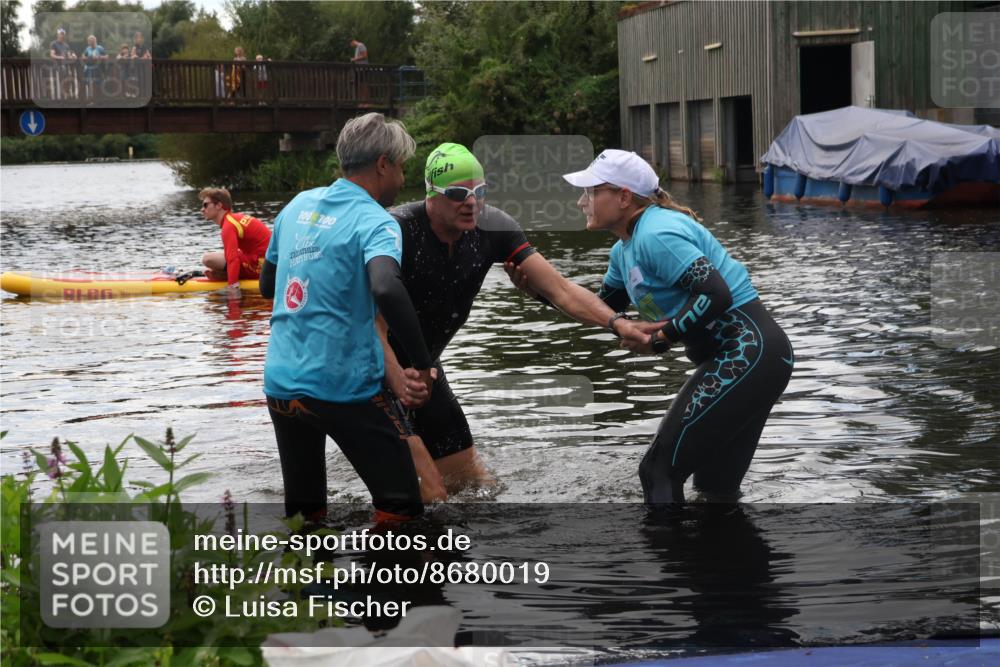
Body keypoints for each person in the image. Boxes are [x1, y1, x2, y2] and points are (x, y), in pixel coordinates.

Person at [379, 143, 648, 502]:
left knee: (475, 487)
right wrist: (396, 375)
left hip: (426, 367)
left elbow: (560, 290)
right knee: (430, 493)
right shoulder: (397, 230)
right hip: (377, 368)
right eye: (458, 194)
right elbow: (366, 318)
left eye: (479, 192)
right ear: (431, 194)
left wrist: (618, 323)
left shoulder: (493, 227)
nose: (471, 203)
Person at [555, 149, 794, 503]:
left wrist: (661, 339)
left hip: (748, 352)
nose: (581, 202)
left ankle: (666, 543)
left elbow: (716, 294)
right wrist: (540, 286)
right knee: (714, 492)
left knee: (657, 471)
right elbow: (601, 310)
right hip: (754, 360)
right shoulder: (624, 251)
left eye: (591, 192)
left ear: (624, 197)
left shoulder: (656, 233)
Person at [259, 112, 434, 522]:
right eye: (401, 167)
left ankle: (306, 564)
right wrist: (423, 363)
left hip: (281, 383)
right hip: (339, 385)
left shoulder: (297, 206)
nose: (402, 178)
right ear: (383, 164)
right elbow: (386, 287)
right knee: (402, 506)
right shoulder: (376, 221)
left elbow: (268, 285)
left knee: (305, 511)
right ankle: (395, 564)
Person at [199, 188, 272, 296]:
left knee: (208, 259)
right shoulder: (234, 219)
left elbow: (232, 259)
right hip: (266, 262)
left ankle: (230, 280)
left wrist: (233, 287)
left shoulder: (228, 226)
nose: (202, 209)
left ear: (218, 206)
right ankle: (224, 276)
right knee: (213, 267)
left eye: (205, 205)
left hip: (262, 266)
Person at [49, 28, 77, 100]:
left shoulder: (66, 45)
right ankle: (63, 96)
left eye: (63, 34)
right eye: (61, 34)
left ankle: (67, 94)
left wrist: (73, 56)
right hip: (58, 65)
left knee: (69, 78)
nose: (62, 35)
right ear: (57, 35)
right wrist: (60, 57)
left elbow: (69, 55)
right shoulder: (54, 44)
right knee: (63, 79)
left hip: (66, 65)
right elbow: (52, 55)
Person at [81, 35, 107, 100]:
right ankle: (91, 99)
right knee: (90, 84)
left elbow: (106, 56)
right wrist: (84, 57)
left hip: (98, 69)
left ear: (95, 41)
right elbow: (83, 55)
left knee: (98, 84)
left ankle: (100, 99)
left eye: (92, 41)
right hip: (89, 70)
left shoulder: (100, 48)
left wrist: (99, 57)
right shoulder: (87, 48)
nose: (90, 42)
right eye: (89, 41)